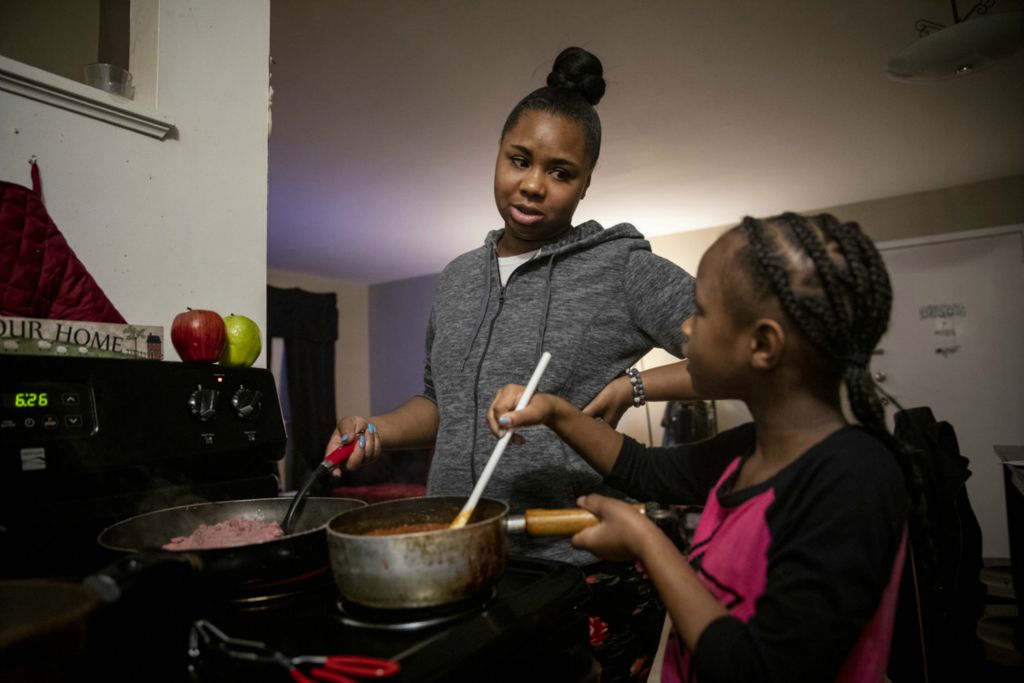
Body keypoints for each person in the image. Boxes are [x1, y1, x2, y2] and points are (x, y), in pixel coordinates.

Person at [326, 45, 697, 682]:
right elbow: (439, 405)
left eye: (561, 172)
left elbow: (750, 354)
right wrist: (379, 431)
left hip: (570, 568)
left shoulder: (624, 270)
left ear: (586, 183)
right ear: (497, 155)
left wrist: (636, 384)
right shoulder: (456, 280)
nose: (532, 184)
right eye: (519, 161)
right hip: (451, 560)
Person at [488, 212, 913, 682]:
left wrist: (646, 543)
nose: (687, 329)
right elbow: (644, 469)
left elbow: (759, 669)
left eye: (703, 313)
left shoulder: (851, 478)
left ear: (763, 345)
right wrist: (554, 411)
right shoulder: (754, 449)